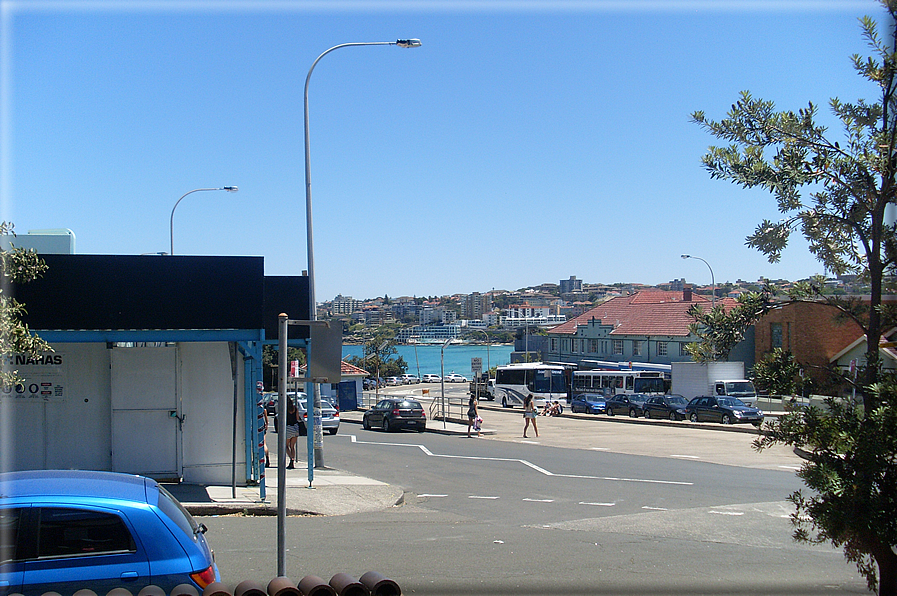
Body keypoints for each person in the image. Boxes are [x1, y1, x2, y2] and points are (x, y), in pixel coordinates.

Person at [286, 397, 300, 469]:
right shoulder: (295, 408)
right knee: (292, 446)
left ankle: (291, 458)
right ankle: (293, 460)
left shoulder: (285, 409)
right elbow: (297, 418)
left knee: (286, 446)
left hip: (288, 428)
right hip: (295, 428)